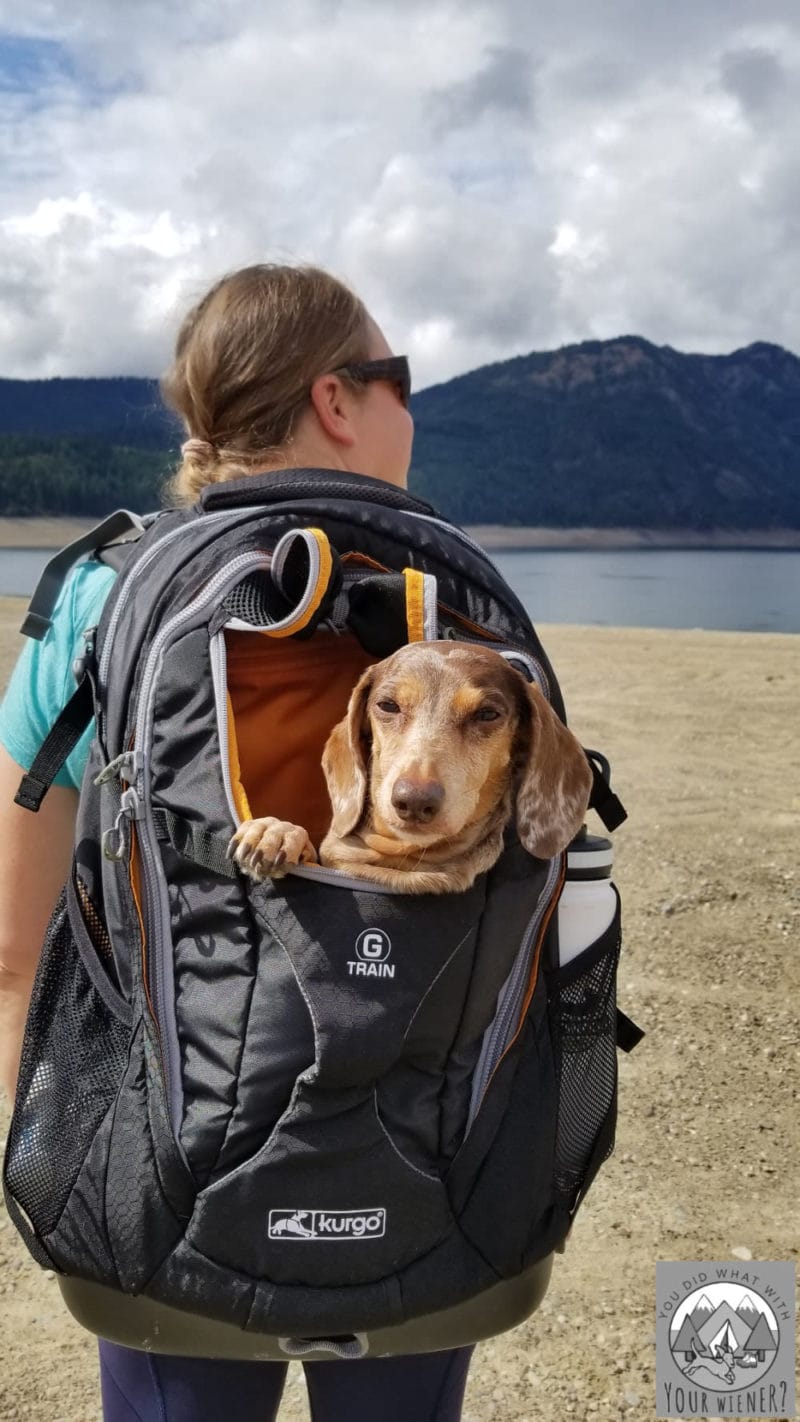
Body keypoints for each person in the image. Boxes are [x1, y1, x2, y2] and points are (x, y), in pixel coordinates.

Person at [0, 264, 476, 1421]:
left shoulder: (101, 599)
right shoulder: (445, 606)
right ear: (335, 400)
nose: (411, 409)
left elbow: (14, 955)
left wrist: (57, 1170)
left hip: (168, 1184)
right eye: (400, 379)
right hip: (424, 1182)